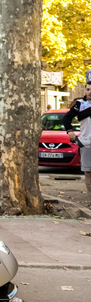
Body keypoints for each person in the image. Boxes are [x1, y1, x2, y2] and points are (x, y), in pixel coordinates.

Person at [63, 81, 91, 210]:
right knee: (88, 172)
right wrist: (70, 131)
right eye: (88, 89)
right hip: (86, 143)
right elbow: (67, 118)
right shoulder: (81, 104)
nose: (90, 92)